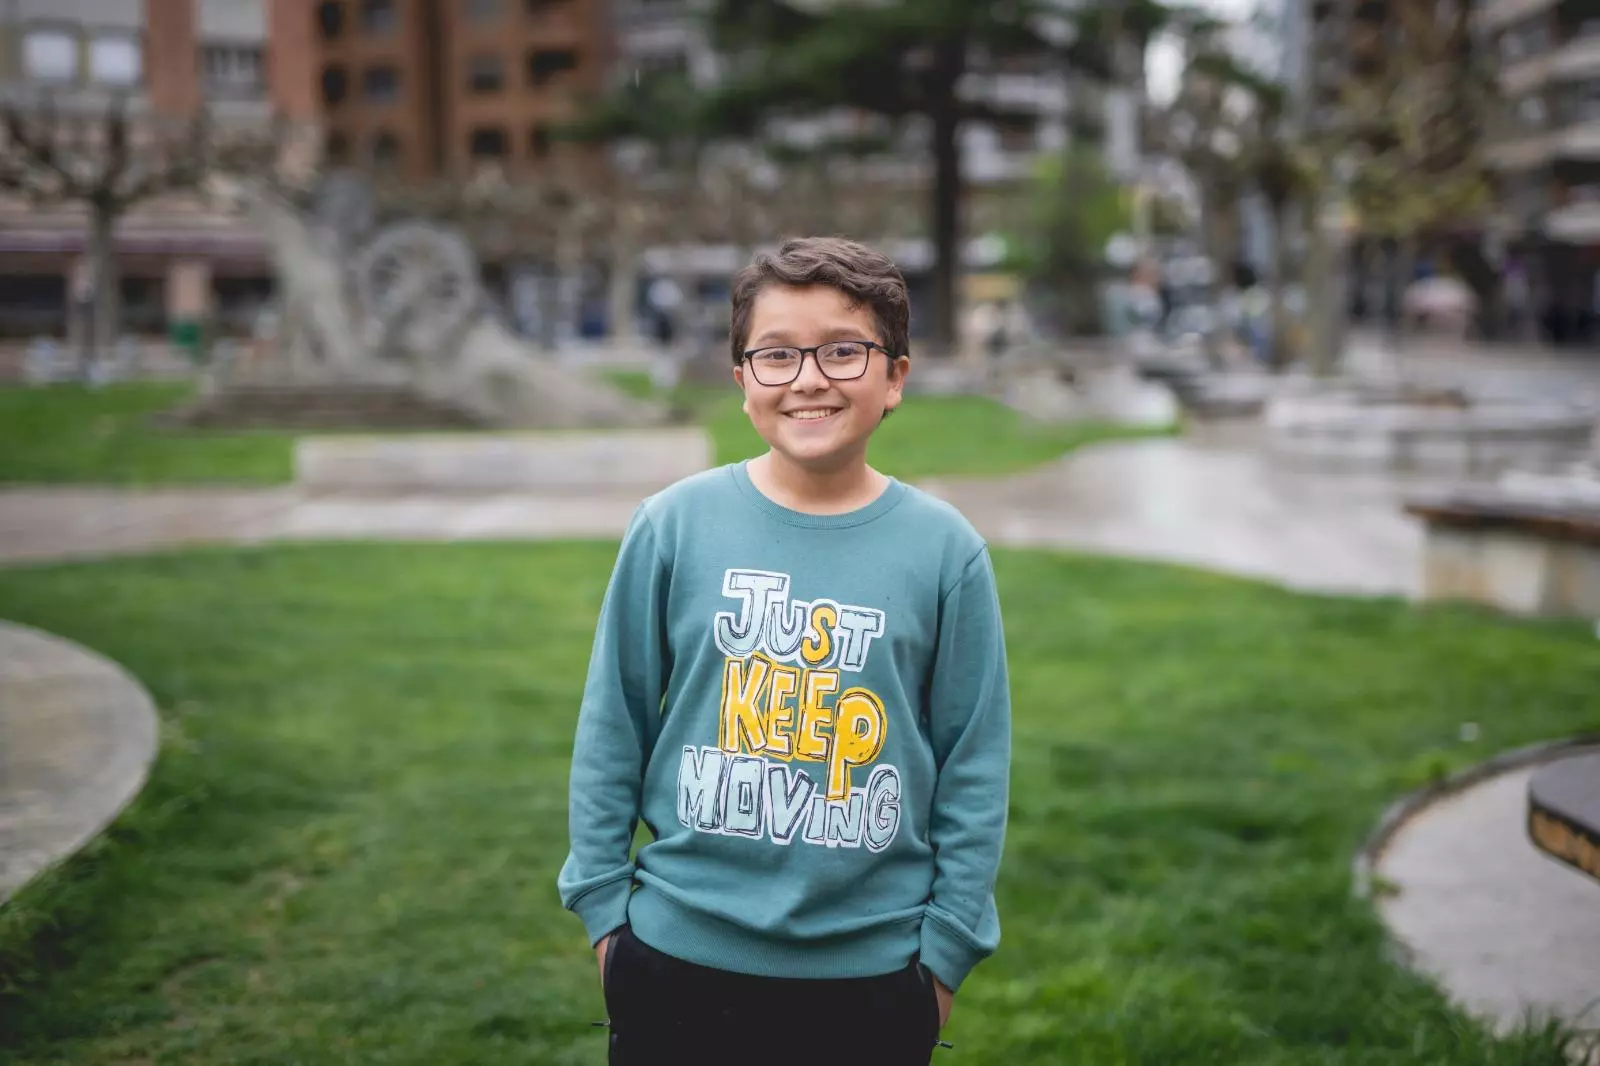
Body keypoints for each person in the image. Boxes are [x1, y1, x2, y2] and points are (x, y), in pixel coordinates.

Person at [558, 236, 1012, 1066]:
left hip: (874, 975)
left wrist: (944, 958)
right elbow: (612, 724)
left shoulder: (946, 552)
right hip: (675, 959)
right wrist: (603, 917)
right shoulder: (673, 526)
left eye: (843, 351)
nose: (808, 378)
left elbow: (973, 764)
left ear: (895, 377)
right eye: (776, 354)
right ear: (742, 381)